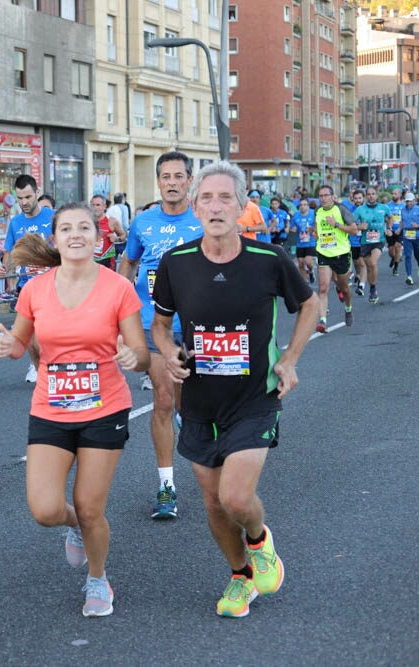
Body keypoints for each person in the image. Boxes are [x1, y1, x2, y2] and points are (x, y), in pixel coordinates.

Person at [151, 160, 317, 618]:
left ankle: (261, 541)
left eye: (226, 197)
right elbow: (161, 326)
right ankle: (240, 576)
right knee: (213, 503)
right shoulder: (177, 263)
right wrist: (167, 353)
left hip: (254, 400)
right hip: (200, 402)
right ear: (194, 205)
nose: (215, 206)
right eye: (206, 197)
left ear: (242, 206)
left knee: (236, 498)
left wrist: (289, 360)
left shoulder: (268, 259)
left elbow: (309, 304)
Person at [0, 203, 149, 617]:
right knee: (45, 509)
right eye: (67, 228)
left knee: (90, 505)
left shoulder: (117, 287)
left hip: (105, 407)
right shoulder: (35, 290)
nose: (76, 234)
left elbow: (141, 351)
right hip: (51, 408)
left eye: (85, 228)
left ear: (98, 240)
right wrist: (9, 346)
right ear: (55, 238)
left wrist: (135, 358)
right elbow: (20, 344)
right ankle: (76, 528)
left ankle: (98, 580)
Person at [118, 150, 203, 520]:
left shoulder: (202, 220)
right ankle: (166, 486)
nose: (171, 183)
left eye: (178, 176)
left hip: (197, 325)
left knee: (187, 401)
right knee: (164, 400)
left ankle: (189, 418)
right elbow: (129, 261)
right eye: (165, 177)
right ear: (158, 181)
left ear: (189, 181)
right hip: (156, 325)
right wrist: (118, 305)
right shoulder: (142, 222)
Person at [0, 175, 54, 383]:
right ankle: (42, 373)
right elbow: (10, 252)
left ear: (37, 193)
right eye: (20, 198)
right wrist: (5, 268)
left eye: (28, 196)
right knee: (32, 341)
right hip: (26, 289)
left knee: (47, 337)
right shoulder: (16, 223)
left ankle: (51, 373)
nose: (24, 202)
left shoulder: (53, 217)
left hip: (53, 288)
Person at [312, 185, 358, 333]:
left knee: (344, 288)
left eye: (326, 195)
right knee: (323, 287)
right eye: (321, 196)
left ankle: (348, 307)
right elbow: (317, 227)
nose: (323, 198)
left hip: (342, 254)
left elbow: (354, 229)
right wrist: (315, 234)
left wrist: (336, 224)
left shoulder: (341, 210)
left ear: (332, 196)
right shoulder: (318, 211)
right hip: (324, 253)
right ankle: (323, 321)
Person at [353, 187, 389, 304]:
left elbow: (390, 217)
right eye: (369, 194)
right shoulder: (360, 210)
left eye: (373, 194)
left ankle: (372, 290)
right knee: (369, 268)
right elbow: (351, 224)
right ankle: (372, 288)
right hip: (365, 242)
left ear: (376, 196)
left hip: (379, 240)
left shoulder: (383, 208)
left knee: (373, 263)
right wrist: (359, 227)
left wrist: (388, 228)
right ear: (366, 197)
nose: (371, 196)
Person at [89, 195, 126, 270]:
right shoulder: (86, 222)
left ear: (104, 206)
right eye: (93, 205)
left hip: (107, 260)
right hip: (90, 259)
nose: (95, 208)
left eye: (98, 205)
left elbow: (123, 235)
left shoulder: (112, 221)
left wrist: (116, 239)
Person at [290, 198, 317, 284]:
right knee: (301, 263)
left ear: (308, 206)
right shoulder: (296, 215)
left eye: (305, 205)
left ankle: (311, 271)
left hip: (311, 242)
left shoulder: (313, 214)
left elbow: (317, 225)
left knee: (308, 262)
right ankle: (304, 283)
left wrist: (313, 229)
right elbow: (291, 227)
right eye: (301, 205)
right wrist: (292, 229)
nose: (302, 207)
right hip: (300, 243)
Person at [386, 189, 405, 277]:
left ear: (400, 195)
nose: (393, 195)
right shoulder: (388, 205)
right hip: (390, 230)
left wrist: (400, 228)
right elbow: (384, 217)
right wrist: (389, 223)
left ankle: (396, 268)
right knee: (391, 252)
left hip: (400, 230)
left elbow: (406, 218)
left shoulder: (404, 206)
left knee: (398, 247)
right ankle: (393, 258)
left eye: (395, 194)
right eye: (392, 193)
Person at [403, 192, 419, 285]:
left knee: (417, 256)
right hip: (407, 236)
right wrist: (398, 229)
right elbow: (402, 221)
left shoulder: (418, 209)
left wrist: (417, 226)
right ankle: (409, 276)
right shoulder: (403, 210)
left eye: (411, 201)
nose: (409, 203)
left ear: (414, 201)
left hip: (417, 236)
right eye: (407, 201)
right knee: (408, 256)